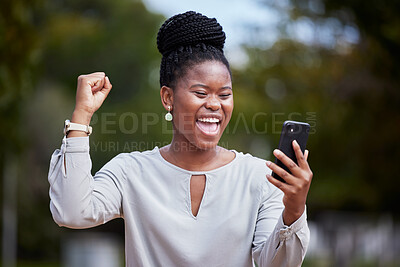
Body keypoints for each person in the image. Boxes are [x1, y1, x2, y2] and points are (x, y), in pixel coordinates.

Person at [48, 11, 312, 267]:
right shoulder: (130, 172)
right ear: (168, 98)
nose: (214, 105)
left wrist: (294, 211)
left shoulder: (259, 178)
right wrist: (81, 116)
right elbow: (71, 212)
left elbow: (279, 265)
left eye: (224, 94)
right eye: (200, 93)